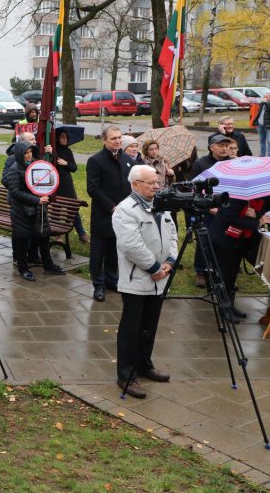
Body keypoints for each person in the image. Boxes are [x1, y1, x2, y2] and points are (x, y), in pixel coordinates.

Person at [112, 165, 178, 399]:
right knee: (132, 328)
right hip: (137, 279)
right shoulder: (125, 210)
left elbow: (172, 235)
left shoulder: (161, 205)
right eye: (151, 183)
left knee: (149, 326)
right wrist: (154, 268)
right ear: (135, 185)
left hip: (160, 278)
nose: (156, 186)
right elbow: (131, 245)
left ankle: (144, 365)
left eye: (156, 181)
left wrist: (170, 261)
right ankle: (126, 375)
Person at [5, 141, 67, 281]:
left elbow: (45, 182)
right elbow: (14, 191)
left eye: (30, 152)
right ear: (20, 154)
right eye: (26, 153)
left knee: (44, 236)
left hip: (39, 210)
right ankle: (23, 269)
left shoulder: (36, 165)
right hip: (22, 211)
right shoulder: (15, 169)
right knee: (23, 241)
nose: (28, 155)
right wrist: (36, 200)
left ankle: (48, 265)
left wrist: (47, 194)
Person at [210, 196, 270, 322]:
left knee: (232, 275)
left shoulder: (256, 197)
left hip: (240, 240)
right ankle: (224, 309)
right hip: (225, 239)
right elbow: (230, 218)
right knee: (226, 275)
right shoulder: (234, 197)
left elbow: (257, 215)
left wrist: (255, 216)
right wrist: (257, 222)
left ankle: (230, 305)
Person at [86, 126, 128, 302]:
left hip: (124, 214)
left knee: (115, 250)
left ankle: (112, 279)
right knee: (99, 252)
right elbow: (93, 189)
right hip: (104, 214)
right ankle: (99, 285)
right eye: (113, 139)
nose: (118, 141)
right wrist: (111, 207)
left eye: (119, 138)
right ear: (104, 140)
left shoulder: (126, 159)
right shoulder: (96, 160)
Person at [188, 134, 232, 287]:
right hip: (207, 209)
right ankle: (201, 271)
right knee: (205, 241)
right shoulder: (201, 164)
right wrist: (209, 208)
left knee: (225, 242)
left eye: (227, 146)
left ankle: (220, 270)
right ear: (211, 147)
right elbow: (193, 188)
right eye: (221, 145)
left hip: (227, 208)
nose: (225, 149)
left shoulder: (233, 163)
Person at [55, 128, 88, 243]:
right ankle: (58, 234)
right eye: (62, 136)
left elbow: (74, 168)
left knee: (73, 208)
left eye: (66, 137)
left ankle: (82, 233)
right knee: (56, 209)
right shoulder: (52, 151)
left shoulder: (68, 151)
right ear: (57, 138)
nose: (65, 139)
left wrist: (66, 163)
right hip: (55, 184)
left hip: (67, 184)